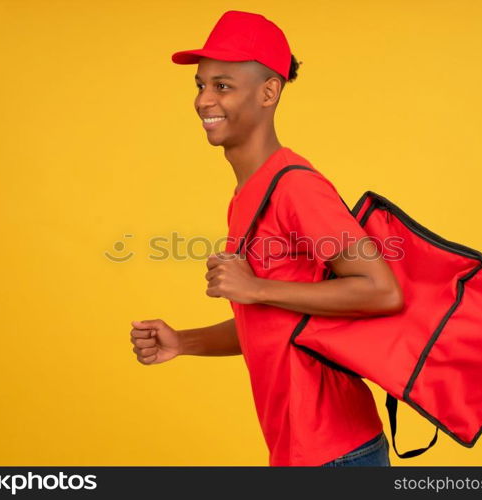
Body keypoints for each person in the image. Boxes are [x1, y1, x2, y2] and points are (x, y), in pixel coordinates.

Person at [130, 10, 403, 467]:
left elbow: (382, 290)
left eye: (222, 86)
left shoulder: (295, 186)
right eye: (200, 85)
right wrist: (183, 341)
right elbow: (272, 322)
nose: (203, 101)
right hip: (297, 451)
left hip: (336, 451)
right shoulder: (245, 195)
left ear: (269, 92)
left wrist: (253, 286)